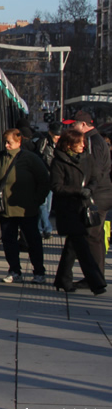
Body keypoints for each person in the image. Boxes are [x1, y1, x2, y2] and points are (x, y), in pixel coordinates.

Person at [0, 128, 50, 284]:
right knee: (9, 241)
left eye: (10, 142)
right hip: (5, 209)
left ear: (18, 142)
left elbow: (44, 180)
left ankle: (39, 272)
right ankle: (14, 270)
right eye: (5, 142)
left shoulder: (30, 159)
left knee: (32, 240)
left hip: (26, 209)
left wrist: (37, 200)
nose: (6, 145)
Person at [50, 129, 107, 294]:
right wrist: (78, 191)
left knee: (72, 246)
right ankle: (96, 282)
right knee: (81, 246)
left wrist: (90, 188)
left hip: (84, 207)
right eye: (79, 142)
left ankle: (62, 279)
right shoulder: (59, 162)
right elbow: (56, 186)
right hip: (68, 209)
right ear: (69, 145)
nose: (83, 145)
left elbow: (96, 177)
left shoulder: (87, 159)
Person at [70, 110, 112, 287]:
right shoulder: (95, 140)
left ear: (84, 125)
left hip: (97, 196)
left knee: (93, 236)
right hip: (100, 194)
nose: (72, 127)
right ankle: (96, 276)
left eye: (74, 124)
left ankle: (95, 277)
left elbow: (95, 171)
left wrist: (86, 190)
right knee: (94, 235)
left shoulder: (93, 142)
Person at [35, 121, 62, 239]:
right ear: (50, 133)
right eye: (56, 135)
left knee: (47, 206)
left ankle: (39, 228)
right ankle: (46, 228)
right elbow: (38, 158)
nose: (57, 138)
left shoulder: (61, 145)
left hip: (53, 178)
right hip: (43, 177)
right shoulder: (43, 143)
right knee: (43, 204)